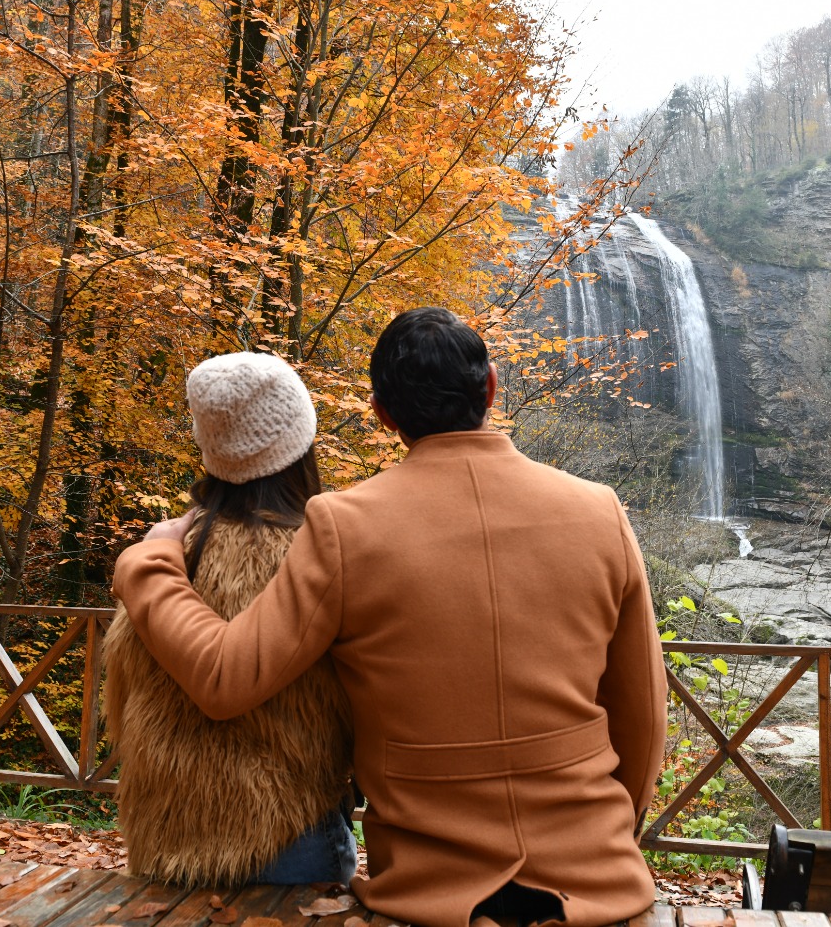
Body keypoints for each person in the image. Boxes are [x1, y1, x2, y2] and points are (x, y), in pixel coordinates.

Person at [114, 308, 666, 927]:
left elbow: (224, 679)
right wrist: (619, 831)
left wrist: (148, 561)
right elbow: (643, 714)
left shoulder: (344, 526)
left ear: (382, 412)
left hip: (434, 893)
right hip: (600, 878)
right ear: (490, 390)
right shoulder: (599, 511)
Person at [103, 352, 356, 886]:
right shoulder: (321, 554)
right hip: (288, 832)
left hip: (165, 834)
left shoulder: (165, 552)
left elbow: (122, 692)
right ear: (302, 439)